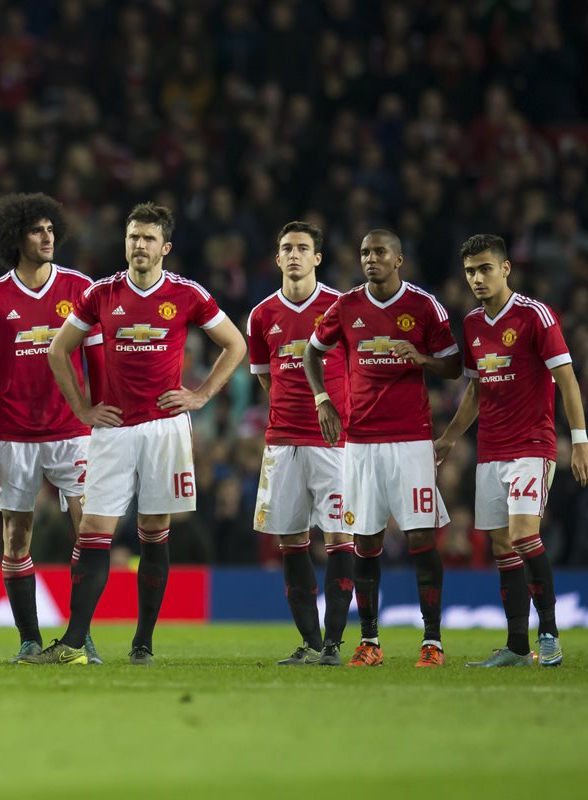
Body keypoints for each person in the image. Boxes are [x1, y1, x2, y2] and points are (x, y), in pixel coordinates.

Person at [24, 202, 247, 665]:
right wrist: (83, 408)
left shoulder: (187, 294)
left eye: (147, 238)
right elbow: (57, 351)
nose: (138, 245)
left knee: (154, 532)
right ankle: (73, 644)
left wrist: (202, 396)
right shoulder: (101, 294)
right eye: (132, 237)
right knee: (93, 532)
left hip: (165, 429)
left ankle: (142, 642)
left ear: (164, 247)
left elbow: (236, 344)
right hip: (113, 430)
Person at [304, 229, 461, 667]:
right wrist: (323, 400)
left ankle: (432, 642)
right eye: (365, 253)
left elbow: (455, 365)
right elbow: (311, 354)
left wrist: (424, 359)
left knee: (421, 537)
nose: (370, 259)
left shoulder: (424, 305)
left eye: (379, 252)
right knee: (365, 541)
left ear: (399, 259)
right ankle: (369, 641)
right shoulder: (347, 306)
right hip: (360, 442)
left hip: (411, 439)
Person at [435, 234, 588, 667]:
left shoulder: (535, 315)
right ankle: (518, 646)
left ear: (506, 268)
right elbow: (475, 391)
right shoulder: (471, 324)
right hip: (490, 450)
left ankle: (550, 634)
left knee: (523, 534)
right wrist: (449, 437)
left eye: (485, 268)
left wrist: (580, 442)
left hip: (531, 446)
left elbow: (568, 380)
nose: (478, 278)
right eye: (470, 271)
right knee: (502, 545)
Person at [0, 193, 105, 663]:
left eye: (51, 229)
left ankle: (79, 635)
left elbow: (96, 361)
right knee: (15, 539)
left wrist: (98, 418)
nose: (47, 237)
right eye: (36, 230)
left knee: (89, 533)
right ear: (16, 237)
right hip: (13, 434)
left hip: (73, 432)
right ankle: (29, 638)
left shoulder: (81, 288)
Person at [247, 222, 353, 666]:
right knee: (289, 541)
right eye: (286, 247)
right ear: (277, 258)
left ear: (317, 258)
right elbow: (265, 378)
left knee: (339, 536)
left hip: (333, 442)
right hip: (282, 441)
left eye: (302, 248)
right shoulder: (261, 315)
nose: (293, 254)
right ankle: (310, 643)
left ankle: (334, 642)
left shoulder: (340, 307)